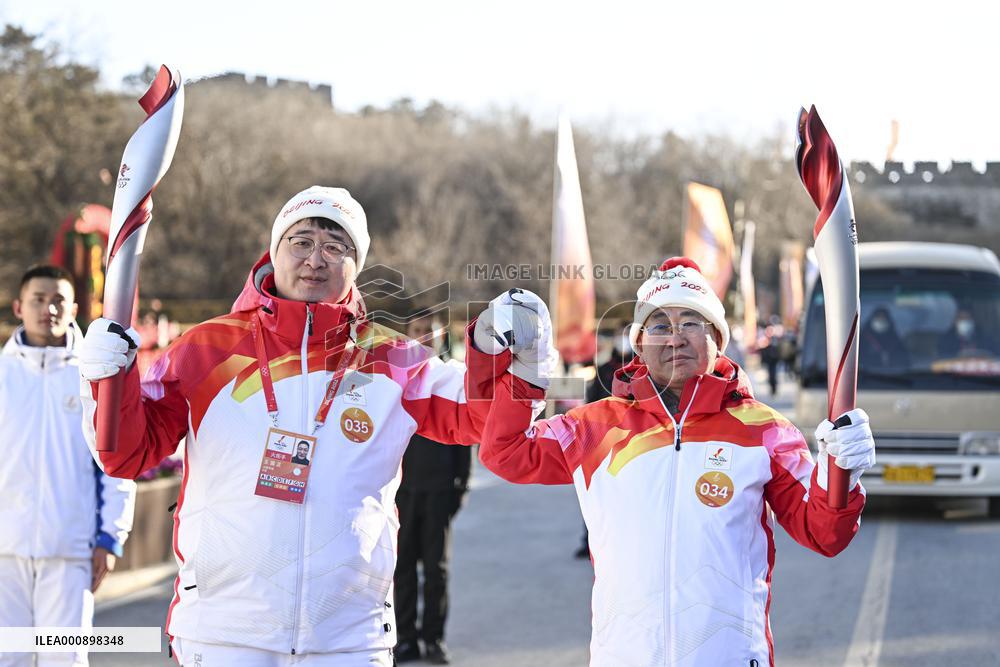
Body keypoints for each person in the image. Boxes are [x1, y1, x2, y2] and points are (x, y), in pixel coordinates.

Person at [78, 187, 482, 666]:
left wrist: (513, 359)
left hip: (349, 638)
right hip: (224, 633)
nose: (316, 259)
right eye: (301, 241)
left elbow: (483, 415)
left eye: (336, 247)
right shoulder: (205, 350)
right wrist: (105, 382)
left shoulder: (394, 360)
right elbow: (127, 454)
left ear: (357, 265)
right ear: (275, 251)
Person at [467, 257, 876, 666]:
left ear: (717, 337)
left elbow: (825, 534)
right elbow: (505, 452)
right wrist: (526, 371)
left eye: (691, 323)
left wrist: (840, 470)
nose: (675, 338)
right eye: (660, 325)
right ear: (640, 344)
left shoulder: (767, 431)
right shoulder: (595, 426)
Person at [0, 265, 136, 667]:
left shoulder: (94, 377)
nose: (48, 309)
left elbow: (117, 461)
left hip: (70, 550)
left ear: (74, 307)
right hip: (5, 552)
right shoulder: (3, 376)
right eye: (38, 300)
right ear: (18, 307)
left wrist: (110, 537)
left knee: (64, 658)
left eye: (58, 300)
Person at [393, 317, 471, 665]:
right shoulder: (396, 381)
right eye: (416, 330)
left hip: (439, 490)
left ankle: (433, 640)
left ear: (443, 335)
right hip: (403, 493)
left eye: (431, 330)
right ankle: (405, 638)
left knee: (436, 570)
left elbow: (464, 439)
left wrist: (460, 489)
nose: (424, 336)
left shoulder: (450, 379)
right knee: (402, 568)